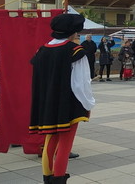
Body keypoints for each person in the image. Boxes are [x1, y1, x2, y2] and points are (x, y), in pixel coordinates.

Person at [30, 14, 95, 184]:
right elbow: (81, 83)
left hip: (47, 103)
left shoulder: (42, 50)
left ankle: (48, 178)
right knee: (65, 145)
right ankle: (59, 179)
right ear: (73, 32)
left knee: (50, 140)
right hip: (69, 104)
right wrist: (88, 104)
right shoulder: (75, 51)